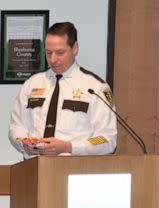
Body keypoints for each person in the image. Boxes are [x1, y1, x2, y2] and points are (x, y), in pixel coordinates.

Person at [8, 22, 117, 158]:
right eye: (48, 53)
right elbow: (16, 127)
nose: (53, 59)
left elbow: (107, 139)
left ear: (75, 48)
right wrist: (24, 144)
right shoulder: (32, 84)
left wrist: (69, 147)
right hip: (34, 168)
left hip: (75, 170)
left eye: (60, 53)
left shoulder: (96, 87)